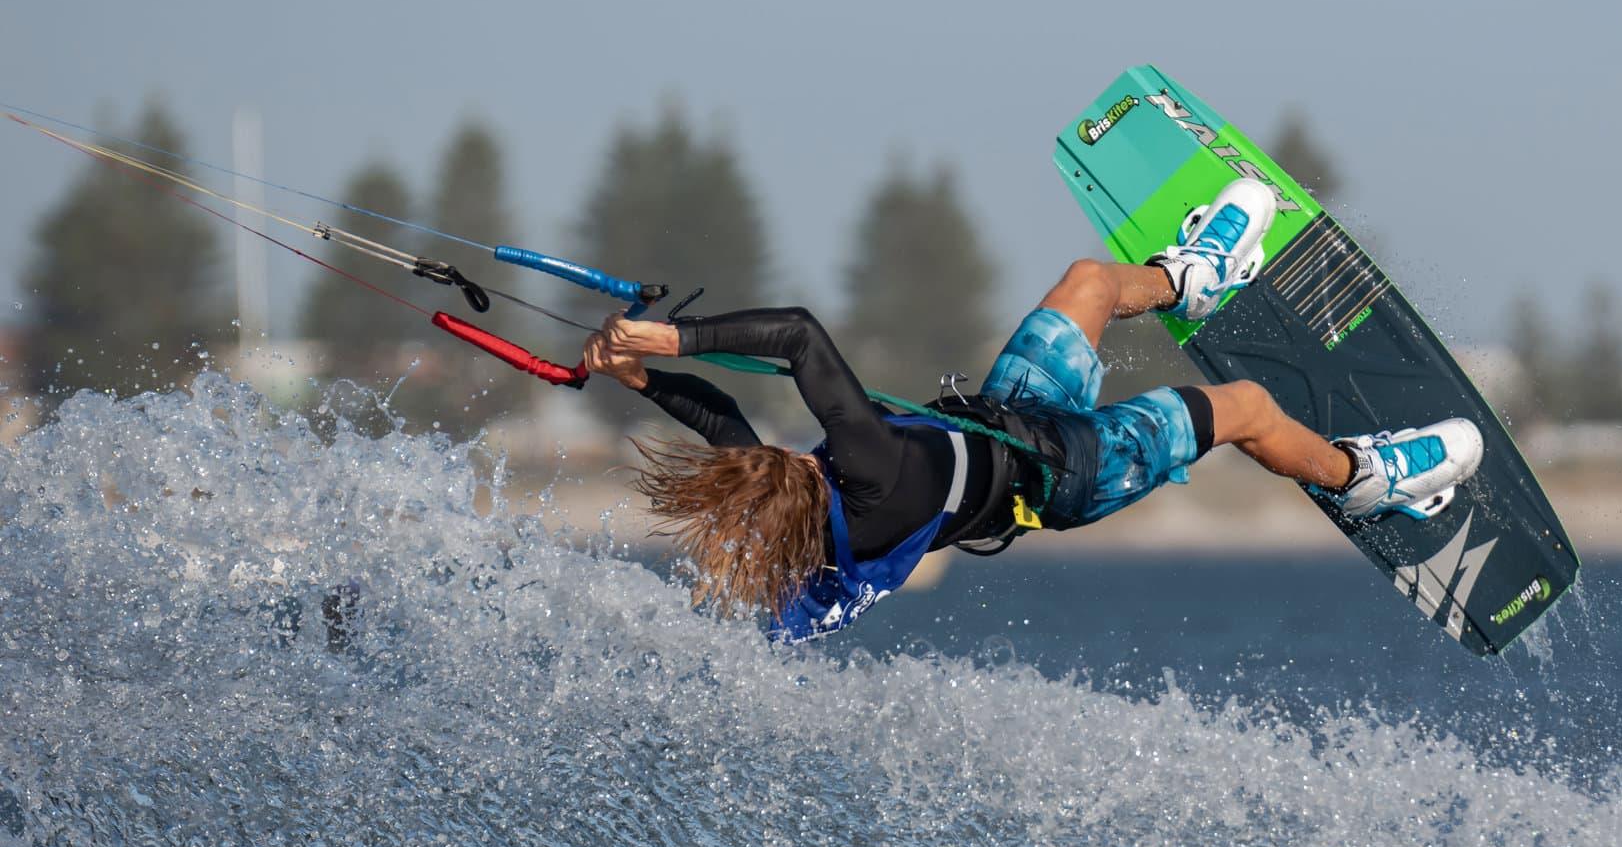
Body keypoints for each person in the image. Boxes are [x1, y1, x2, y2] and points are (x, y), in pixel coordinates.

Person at [582, 181, 1483, 640]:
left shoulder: (800, 506)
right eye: (799, 459)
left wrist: (632, 374)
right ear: (811, 483)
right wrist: (668, 341)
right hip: (1074, 469)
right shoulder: (866, 471)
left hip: (1011, 413)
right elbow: (801, 337)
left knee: (1090, 282)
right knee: (1243, 406)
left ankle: (1189, 280)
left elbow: (721, 422)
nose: (799, 450)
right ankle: (1361, 478)